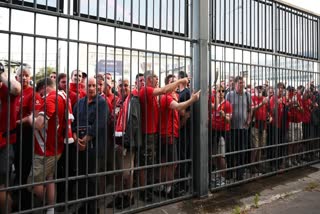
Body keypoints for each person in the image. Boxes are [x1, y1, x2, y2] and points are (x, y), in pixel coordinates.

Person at [138, 70, 189, 202]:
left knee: (155, 163)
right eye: (155, 77)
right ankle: (147, 191)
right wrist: (181, 82)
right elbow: (168, 94)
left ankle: (153, 189)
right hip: (151, 134)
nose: (157, 79)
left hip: (155, 133)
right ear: (149, 79)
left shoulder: (160, 95)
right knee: (150, 164)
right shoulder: (147, 90)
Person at [26, 78, 73, 214]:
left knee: (34, 184)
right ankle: (51, 209)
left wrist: (30, 119)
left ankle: (47, 204)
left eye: (41, 94)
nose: (40, 97)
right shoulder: (63, 96)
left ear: (45, 88)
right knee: (50, 178)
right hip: (55, 145)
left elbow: (39, 123)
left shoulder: (51, 99)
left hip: (45, 149)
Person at [159, 74, 200, 197]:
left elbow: (181, 112)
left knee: (171, 162)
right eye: (172, 82)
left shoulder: (174, 96)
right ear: (167, 85)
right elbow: (178, 108)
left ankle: (167, 187)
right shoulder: (166, 97)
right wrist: (192, 100)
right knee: (171, 163)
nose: (175, 84)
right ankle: (168, 189)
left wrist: (184, 111)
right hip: (168, 133)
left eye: (176, 82)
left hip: (174, 132)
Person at [72, 77, 108, 214]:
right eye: (89, 85)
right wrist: (76, 139)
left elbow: (99, 125)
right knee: (82, 176)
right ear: (83, 87)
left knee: (92, 178)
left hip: (94, 146)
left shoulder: (102, 103)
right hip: (79, 146)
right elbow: (73, 123)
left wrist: (85, 140)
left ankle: (93, 208)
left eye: (95, 85)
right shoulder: (79, 103)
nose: (92, 88)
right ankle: (84, 205)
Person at [108, 78, 142, 209]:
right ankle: (120, 196)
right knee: (119, 172)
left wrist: (127, 143)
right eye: (121, 86)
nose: (123, 88)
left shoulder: (133, 101)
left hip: (127, 143)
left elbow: (134, 123)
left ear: (130, 86)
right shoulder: (118, 101)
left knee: (127, 173)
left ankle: (130, 196)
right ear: (117, 87)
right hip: (116, 141)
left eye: (126, 85)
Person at [14, 66, 43, 211]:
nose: (24, 78)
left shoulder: (33, 94)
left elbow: (35, 116)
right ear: (16, 77)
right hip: (11, 135)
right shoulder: (13, 92)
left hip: (26, 136)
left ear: (30, 78)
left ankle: (24, 205)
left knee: (23, 170)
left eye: (26, 75)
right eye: (21, 75)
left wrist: (19, 122)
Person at [0, 63, 21, 213]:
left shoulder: (7, 90)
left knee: (2, 186)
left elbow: (17, 88)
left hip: (4, 145)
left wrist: (1, 74)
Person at [226, 76, 252, 181]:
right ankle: (230, 172)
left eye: (243, 83)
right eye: (240, 83)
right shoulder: (229, 95)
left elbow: (250, 109)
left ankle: (239, 174)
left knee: (242, 151)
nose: (242, 85)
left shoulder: (247, 95)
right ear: (235, 84)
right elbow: (225, 108)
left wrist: (249, 120)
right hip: (232, 128)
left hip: (243, 129)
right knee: (231, 151)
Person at [210, 84, 232, 187]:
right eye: (219, 91)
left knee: (221, 155)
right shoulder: (214, 104)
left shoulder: (227, 104)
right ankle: (218, 175)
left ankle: (223, 177)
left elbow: (229, 119)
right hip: (214, 131)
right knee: (214, 154)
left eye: (223, 91)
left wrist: (224, 116)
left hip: (223, 132)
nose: (221, 93)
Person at [250, 85, 269, 174]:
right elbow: (252, 109)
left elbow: (268, 111)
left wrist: (270, 116)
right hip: (255, 125)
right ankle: (252, 165)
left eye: (261, 89)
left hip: (263, 124)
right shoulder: (252, 98)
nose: (260, 91)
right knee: (255, 147)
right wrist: (262, 103)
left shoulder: (265, 98)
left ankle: (258, 165)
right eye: (258, 89)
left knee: (260, 146)